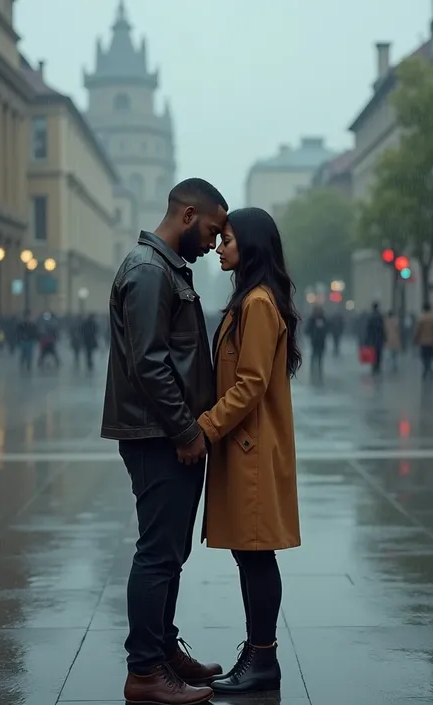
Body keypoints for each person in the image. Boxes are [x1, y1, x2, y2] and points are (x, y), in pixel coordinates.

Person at [101, 178, 229, 705]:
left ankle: (162, 650)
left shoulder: (165, 268)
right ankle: (146, 671)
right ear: (188, 214)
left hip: (165, 432)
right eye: (213, 230)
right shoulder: (150, 270)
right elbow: (150, 362)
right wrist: (184, 430)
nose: (214, 243)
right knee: (157, 553)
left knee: (170, 550)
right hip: (158, 435)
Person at [196, 208, 301, 695]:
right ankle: (258, 654)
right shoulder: (252, 299)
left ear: (252, 246)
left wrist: (205, 428)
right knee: (250, 554)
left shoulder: (258, 303)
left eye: (229, 240)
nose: (219, 247)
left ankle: (263, 660)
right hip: (246, 446)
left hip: (251, 449)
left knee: (257, 555)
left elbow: (251, 383)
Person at [305, 306, 328, 381]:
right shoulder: (312, 319)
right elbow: (307, 330)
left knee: (320, 356)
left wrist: (323, 330)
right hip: (314, 341)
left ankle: (319, 370)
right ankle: (312, 370)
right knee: (314, 355)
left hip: (321, 341)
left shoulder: (324, 319)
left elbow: (328, 328)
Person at [414, 303, 433, 379]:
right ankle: (429, 368)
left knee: (424, 356)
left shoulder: (421, 318)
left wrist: (416, 339)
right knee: (430, 356)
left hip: (423, 341)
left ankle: (426, 368)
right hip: (431, 341)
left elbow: (418, 330)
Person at [366, 302, 386, 375]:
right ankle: (378, 366)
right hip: (379, 337)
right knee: (379, 353)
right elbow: (383, 328)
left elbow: (368, 329)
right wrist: (384, 337)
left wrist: (367, 339)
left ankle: (374, 366)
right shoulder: (380, 316)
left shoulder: (370, 317)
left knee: (373, 352)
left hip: (372, 338)